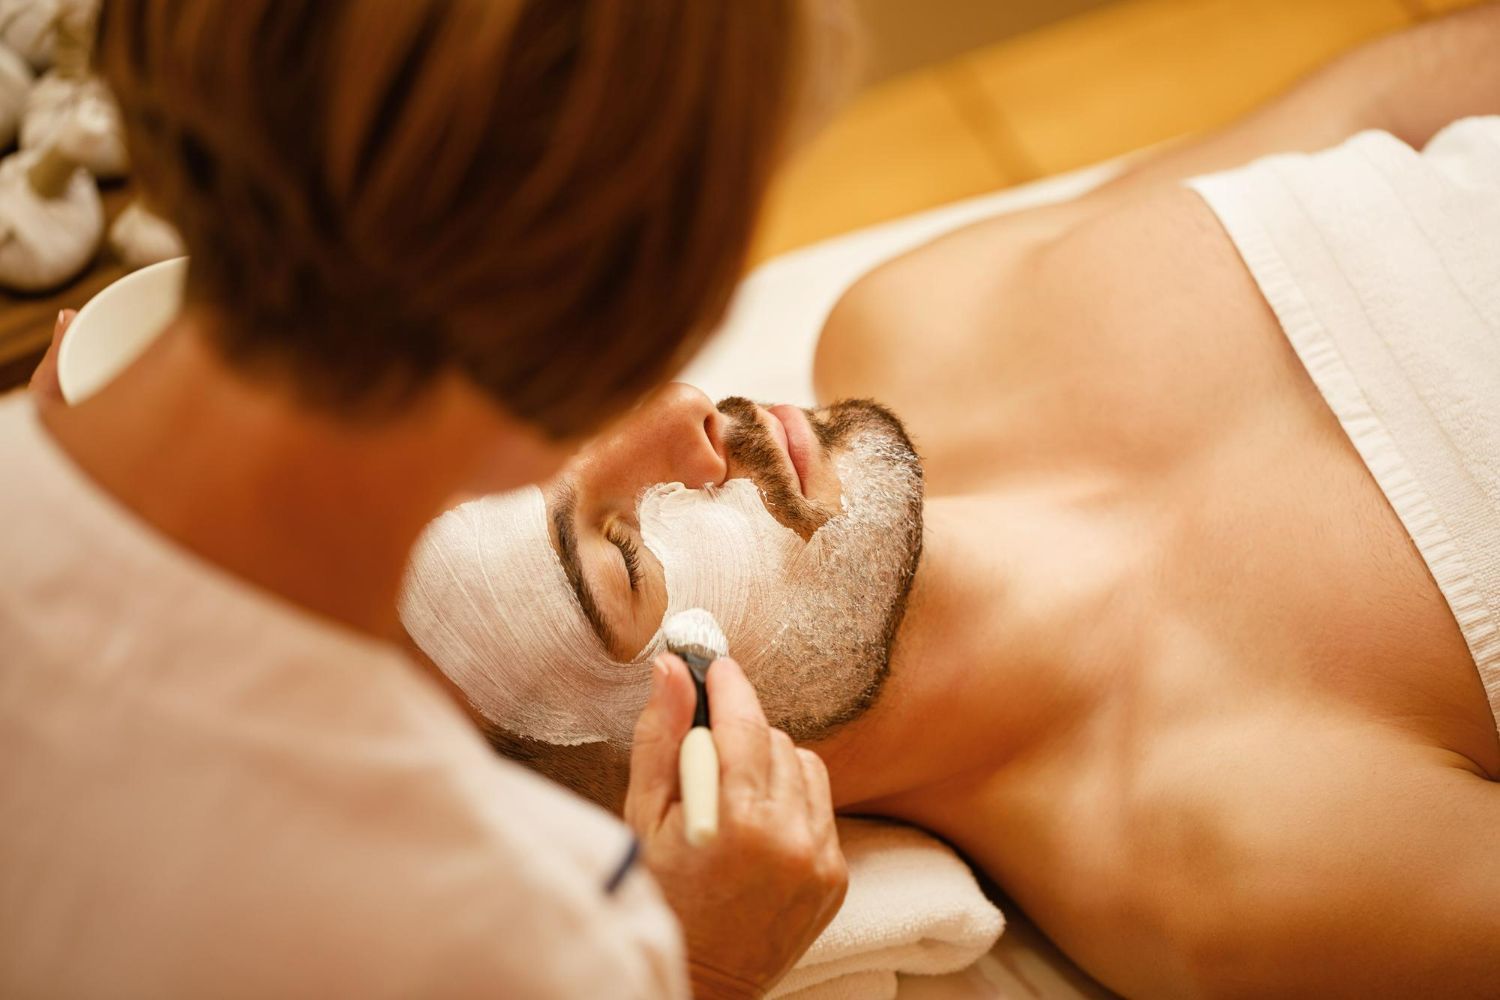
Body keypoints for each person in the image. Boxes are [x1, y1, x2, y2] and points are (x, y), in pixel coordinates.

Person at [399, 6, 1500, 997]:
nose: (683, 411)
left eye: (576, 418)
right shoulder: (1230, 857)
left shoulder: (922, 319)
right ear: (673, 780)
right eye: (620, 552)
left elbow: (1387, 95)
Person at [0, 2, 856, 997]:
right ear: (615, 323)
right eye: (613, 556)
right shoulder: (517, 929)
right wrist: (701, 964)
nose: (698, 424)